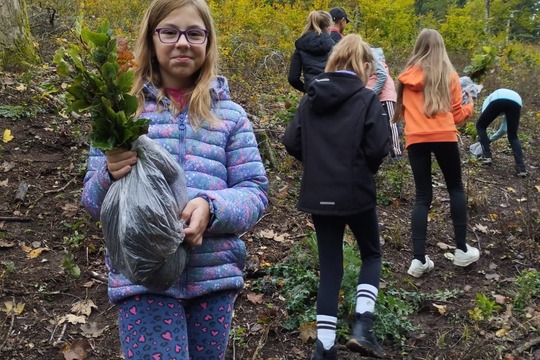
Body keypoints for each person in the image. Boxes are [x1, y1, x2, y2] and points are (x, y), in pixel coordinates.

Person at [80, 0, 269, 359]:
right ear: (151, 39)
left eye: (194, 33)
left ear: (208, 42)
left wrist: (210, 208)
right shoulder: (120, 113)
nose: (182, 42)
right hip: (142, 279)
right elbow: (92, 202)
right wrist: (109, 172)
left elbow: (255, 191)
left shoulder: (229, 116)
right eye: (169, 31)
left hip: (212, 278)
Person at [282, 34, 389, 360]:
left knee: (331, 269)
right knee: (371, 255)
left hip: (319, 194)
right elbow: (377, 148)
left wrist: (316, 166)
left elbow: (291, 141)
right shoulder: (366, 99)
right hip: (355, 192)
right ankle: (362, 328)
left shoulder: (309, 98)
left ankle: (325, 347)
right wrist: (362, 169)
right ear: (362, 66)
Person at [393, 28, 480, 278]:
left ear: (418, 47)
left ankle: (418, 260)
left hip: (415, 139)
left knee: (422, 197)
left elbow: (402, 112)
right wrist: (471, 103)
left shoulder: (405, 78)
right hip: (444, 136)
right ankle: (462, 249)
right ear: (441, 48)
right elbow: (456, 115)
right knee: (455, 187)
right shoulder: (449, 76)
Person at [475, 88, 527, 177]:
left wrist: (484, 141)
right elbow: (503, 130)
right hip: (517, 101)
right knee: (513, 136)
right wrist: (490, 140)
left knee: (480, 126)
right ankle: (521, 168)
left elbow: (483, 125)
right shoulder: (509, 102)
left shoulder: (487, 101)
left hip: (498, 99)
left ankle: (486, 156)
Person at [366, 47, 403, 160]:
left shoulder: (373, 56)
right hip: (374, 97)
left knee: (392, 124)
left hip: (385, 95)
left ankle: (397, 154)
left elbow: (382, 76)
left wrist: (372, 93)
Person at [288, 10, 335, 93]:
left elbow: (293, 78)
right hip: (331, 92)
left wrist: (306, 89)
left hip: (311, 93)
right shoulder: (335, 47)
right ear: (328, 28)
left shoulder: (301, 46)